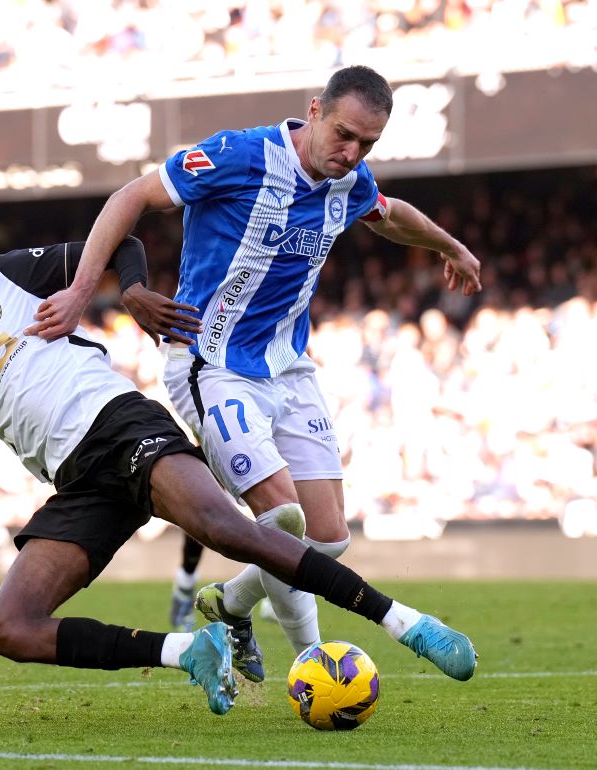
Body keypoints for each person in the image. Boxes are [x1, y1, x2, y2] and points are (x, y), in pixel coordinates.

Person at [0, 237, 476, 721]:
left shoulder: (5, 278)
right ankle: (190, 649)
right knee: (8, 627)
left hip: (121, 426)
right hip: (79, 485)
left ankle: (405, 622)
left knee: (224, 529)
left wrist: (128, 289)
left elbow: (118, 236)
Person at [25, 65, 482, 683]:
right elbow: (131, 195)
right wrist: (85, 291)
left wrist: (449, 247)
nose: (351, 154)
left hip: (289, 370)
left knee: (327, 539)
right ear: (314, 111)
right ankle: (315, 665)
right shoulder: (239, 155)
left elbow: (389, 213)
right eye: (344, 135)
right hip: (211, 365)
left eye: (367, 145)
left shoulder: (348, 181)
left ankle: (232, 604)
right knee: (283, 520)